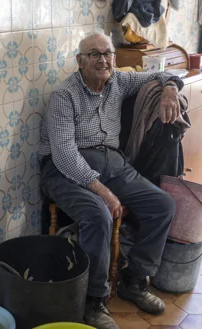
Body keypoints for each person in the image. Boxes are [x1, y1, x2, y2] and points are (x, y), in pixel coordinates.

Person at [39, 30, 183, 329]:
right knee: (98, 214)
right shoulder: (64, 96)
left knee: (162, 204)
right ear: (80, 61)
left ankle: (134, 280)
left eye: (108, 53)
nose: (103, 60)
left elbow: (164, 72)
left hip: (113, 163)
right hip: (64, 169)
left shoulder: (119, 80)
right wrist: (101, 190)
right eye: (95, 54)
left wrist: (170, 88)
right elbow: (65, 155)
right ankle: (94, 301)